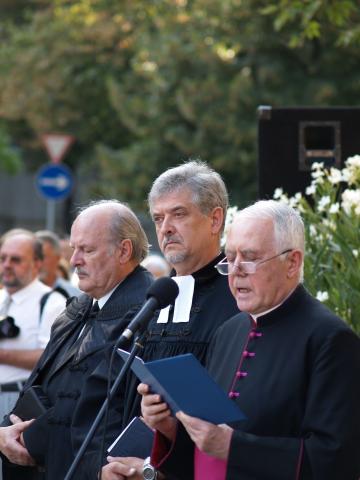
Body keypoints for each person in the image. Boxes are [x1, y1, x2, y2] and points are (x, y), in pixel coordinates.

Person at [137, 200, 360, 480]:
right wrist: (170, 427)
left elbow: (336, 459)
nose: (237, 270)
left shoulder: (330, 339)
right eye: (230, 258)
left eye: (250, 257)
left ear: (292, 262)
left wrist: (235, 447)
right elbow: (209, 444)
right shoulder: (228, 332)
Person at [99, 160, 239, 479]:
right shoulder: (154, 299)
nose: (166, 228)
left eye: (179, 214)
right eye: (159, 218)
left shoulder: (237, 298)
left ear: (215, 219)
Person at [0, 200, 154, 480]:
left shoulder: (147, 314)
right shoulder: (81, 306)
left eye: (87, 250)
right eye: (74, 249)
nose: (73, 261)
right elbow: (41, 380)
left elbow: (107, 412)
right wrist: (5, 430)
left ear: (124, 251)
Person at [0, 230, 66, 420]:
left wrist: (3, 355)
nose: (6, 265)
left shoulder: (52, 303)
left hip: (18, 399)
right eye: (2, 258)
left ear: (37, 263)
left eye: (16, 260)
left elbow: (51, 358)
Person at [35, 230, 80, 298]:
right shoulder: (18, 292)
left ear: (57, 258)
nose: (38, 263)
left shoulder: (74, 295)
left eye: (42, 257)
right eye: (34, 257)